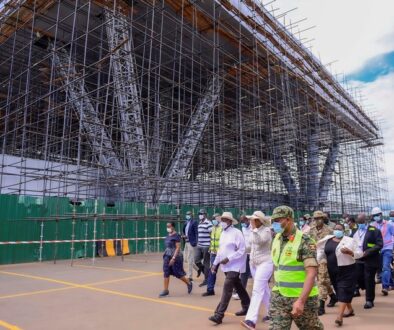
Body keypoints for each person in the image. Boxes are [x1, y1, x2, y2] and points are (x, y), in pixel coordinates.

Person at [269, 206, 323, 330]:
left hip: (303, 298)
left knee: (311, 327)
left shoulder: (305, 241)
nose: (275, 224)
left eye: (278, 220)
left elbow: (311, 273)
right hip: (279, 296)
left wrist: (301, 301)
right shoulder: (276, 238)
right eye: (273, 221)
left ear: (289, 220)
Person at [317, 223, 363, 326]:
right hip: (332, 270)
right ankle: (350, 310)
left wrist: (350, 252)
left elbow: (360, 253)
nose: (337, 230)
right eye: (336, 229)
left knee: (343, 290)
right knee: (339, 291)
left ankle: (339, 317)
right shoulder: (327, 240)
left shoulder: (350, 241)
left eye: (340, 229)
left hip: (347, 270)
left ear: (344, 230)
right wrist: (319, 260)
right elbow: (321, 251)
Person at [208, 212, 250, 325]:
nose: (222, 222)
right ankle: (247, 306)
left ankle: (218, 315)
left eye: (225, 220)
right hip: (225, 266)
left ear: (230, 221)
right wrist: (215, 264)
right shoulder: (222, 233)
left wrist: (229, 258)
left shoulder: (237, 233)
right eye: (222, 220)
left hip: (235, 266)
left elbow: (242, 250)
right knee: (239, 286)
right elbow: (220, 251)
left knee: (227, 289)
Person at [241, 211, 273, 329]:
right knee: (263, 290)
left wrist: (253, 230)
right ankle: (273, 313)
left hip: (265, 263)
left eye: (253, 219)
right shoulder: (252, 231)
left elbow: (259, 241)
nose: (251, 221)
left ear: (259, 221)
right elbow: (250, 245)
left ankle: (251, 320)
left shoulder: (266, 231)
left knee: (257, 290)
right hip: (254, 264)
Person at [353, 213, 383, 309]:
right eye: (358, 222)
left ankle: (369, 300)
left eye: (361, 222)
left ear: (366, 221)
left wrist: (368, 252)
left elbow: (379, 245)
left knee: (369, 279)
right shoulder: (355, 232)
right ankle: (364, 287)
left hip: (370, 259)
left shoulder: (374, 231)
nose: (360, 223)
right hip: (358, 259)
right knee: (358, 277)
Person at [309, 210, 337, 314]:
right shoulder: (311, 230)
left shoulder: (329, 230)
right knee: (324, 280)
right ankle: (333, 296)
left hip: (324, 258)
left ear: (323, 219)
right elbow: (307, 241)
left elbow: (333, 244)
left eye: (319, 218)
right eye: (316, 218)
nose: (318, 220)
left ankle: (321, 306)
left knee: (321, 280)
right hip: (313, 257)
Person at [159, 222, 193, 297]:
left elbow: (178, 248)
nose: (167, 227)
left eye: (169, 226)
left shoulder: (176, 235)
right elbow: (168, 246)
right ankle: (165, 290)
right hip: (167, 256)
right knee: (166, 271)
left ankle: (188, 283)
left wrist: (173, 258)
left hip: (175, 257)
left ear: (173, 227)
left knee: (177, 273)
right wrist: (165, 252)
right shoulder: (168, 235)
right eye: (167, 226)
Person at [370, 207, 394, 296]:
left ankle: (385, 287)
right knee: (381, 269)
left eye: (377, 215)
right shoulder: (372, 226)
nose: (376, 217)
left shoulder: (389, 225)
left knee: (385, 267)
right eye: (374, 215)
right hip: (377, 250)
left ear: (381, 214)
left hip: (387, 248)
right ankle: (391, 283)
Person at [203, 213, 222, 296]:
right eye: (213, 219)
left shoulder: (222, 228)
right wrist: (211, 249)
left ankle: (235, 289)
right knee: (212, 271)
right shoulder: (213, 228)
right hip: (214, 253)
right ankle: (210, 290)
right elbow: (212, 240)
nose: (213, 221)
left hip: (222, 254)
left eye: (215, 219)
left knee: (229, 273)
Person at [233, 214, 252, 300]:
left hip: (253, 254)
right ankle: (241, 292)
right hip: (245, 253)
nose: (243, 224)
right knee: (243, 273)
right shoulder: (243, 228)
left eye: (244, 222)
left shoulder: (253, 227)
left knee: (256, 274)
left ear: (248, 220)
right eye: (241, 222)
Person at [194, 208, 212, 287]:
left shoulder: (208, 223)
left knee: (206, 263)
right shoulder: (200, 223)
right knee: (196, 260)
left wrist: (211, 245)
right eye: (199, 214)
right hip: (199, 245)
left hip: (206, 246)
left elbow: (212, 234)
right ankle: (206, 274)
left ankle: (206, 280)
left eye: (201, 214)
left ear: (205, 215)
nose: (200, 215)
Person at [182, 210, 198, 282]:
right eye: (187, 214)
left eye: (189, 214)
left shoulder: (194, 222)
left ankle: (190, 276)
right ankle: (198, 269)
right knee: (185, 259)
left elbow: (196, 233)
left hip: (191, 243)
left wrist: (196, 242)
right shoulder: (186, 222)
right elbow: (184, 231)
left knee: (190, 259)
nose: (187, 215)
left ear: (191, 215)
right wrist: (183, 235)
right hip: (186, 242)